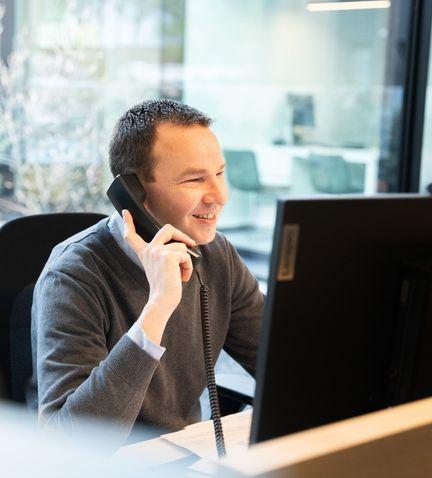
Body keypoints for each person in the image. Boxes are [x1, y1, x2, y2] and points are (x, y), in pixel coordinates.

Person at [32, 99, 264, 438]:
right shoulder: (73, 276)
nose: (219, 195)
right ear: (134, 191)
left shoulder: (216, 256)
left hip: (184, 462)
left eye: (219, 174)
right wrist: (157, 308)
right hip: (102, 477)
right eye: (195, 180)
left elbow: (281, 363)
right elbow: (68, 441)